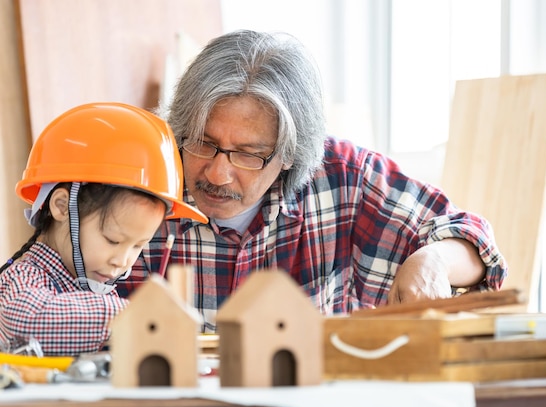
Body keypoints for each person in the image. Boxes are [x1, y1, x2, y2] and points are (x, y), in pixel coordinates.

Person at [120, 29, 508, 332]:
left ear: (290, 155)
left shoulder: (343, 179)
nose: (218, 173)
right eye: (204, 143)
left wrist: (433, 260)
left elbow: (472, 240)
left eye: (249, 155)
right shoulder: (136, 178)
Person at [0, 102, 207, 357]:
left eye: (137, 246)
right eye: (112, 240)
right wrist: (130, 314)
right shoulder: (24, 279)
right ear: (62, 207)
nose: (122, 261)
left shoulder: (87, 287)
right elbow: (27, 322)